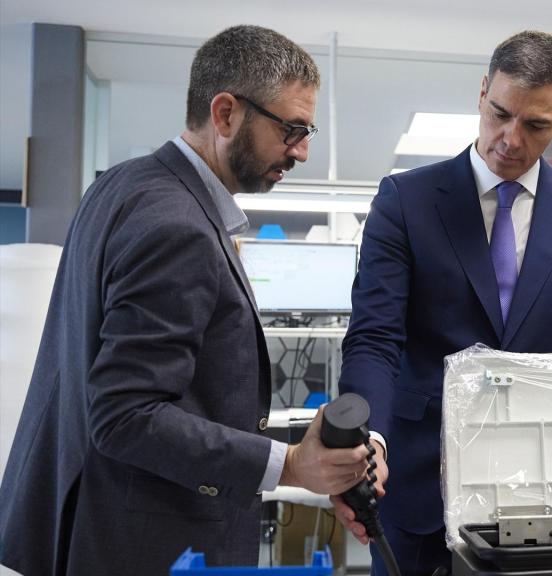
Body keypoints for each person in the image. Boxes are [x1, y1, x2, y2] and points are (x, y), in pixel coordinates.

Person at [0, 26, 371, 575]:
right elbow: (126, 414)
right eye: (291, 129)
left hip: (90, 524)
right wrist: (290, 465)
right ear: (225, 114)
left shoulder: (122, 185)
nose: (302, 150)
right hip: (146, 542)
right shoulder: (179, 226)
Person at [336, 30, 552, 576]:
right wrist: (368, 439)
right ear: (481, 94)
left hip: (547, 487)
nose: (510, 139)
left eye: (535, 124)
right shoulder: (407, 200)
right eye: (500, 113)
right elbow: (376, 336)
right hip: (417, 481)